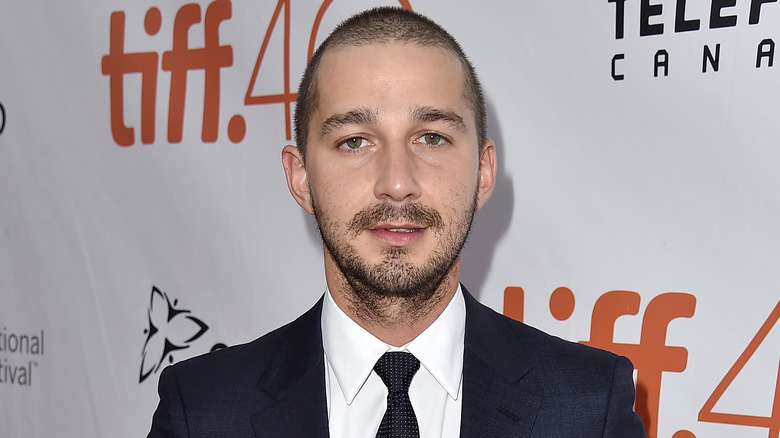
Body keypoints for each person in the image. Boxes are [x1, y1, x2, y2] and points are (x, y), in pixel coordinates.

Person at [147, 7, 646, 438]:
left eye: (431, 138)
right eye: (354, 142)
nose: (398, 182)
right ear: (301, 178)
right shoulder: (203, 410)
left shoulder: (587, 406)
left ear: (484, 172)